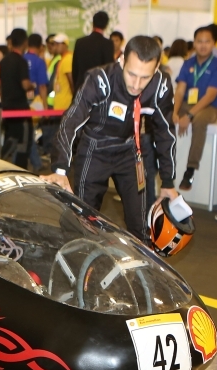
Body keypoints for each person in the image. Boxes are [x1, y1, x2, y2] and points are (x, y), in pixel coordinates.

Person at [47, 35, 177, 242]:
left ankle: (139, 272)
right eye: (132, 74)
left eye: (145, 77)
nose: (136, 85)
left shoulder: (160, 85)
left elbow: (165, 132)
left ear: (157, 67)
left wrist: (168, 181)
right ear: (122, 60)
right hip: (94, 149)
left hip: (130, 149)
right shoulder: (99, 79)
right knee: (81, 222)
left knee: (141, 226)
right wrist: (60, 169)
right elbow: (71, 120)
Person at [174, 26, 217, 191]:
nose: (203, 45)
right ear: (194, 43)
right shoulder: (188, 63)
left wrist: (188, 115)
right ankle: (161, 162)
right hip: (188, 104)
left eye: (207, 42)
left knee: (200, 121)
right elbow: (181, 90)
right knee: (164, 114)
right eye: (199, 41)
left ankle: (190, 170)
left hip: (210, 107)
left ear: (213, 44)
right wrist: (175, 112)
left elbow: (211, 95)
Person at [0, 28, 32, 167]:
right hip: (20, 108)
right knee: (23, 141)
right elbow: (25, 85)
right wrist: (33, 86)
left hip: (7, 106)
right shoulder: (21, 61)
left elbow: (1, 85)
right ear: (25, 42)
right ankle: (20, 169)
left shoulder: (4, 61)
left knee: (11, 138)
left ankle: (0, 161)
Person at [24, 33, 49, 171]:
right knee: (30, 132)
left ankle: (35, 161)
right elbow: (43, 86)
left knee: (27, 132)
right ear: (40, 46)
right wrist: (45, 107)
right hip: (36, 102)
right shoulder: (39, 62)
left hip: (21, 101)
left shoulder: (21, 58)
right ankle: (37, 163)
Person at [73, 11, 114, 91]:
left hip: (81, 86)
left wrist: (76, 87)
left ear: (93, 23)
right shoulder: (107, 44)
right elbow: (109, 69)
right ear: (106, 25)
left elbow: (75, 69)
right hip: (98, 88)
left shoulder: (80, 42)